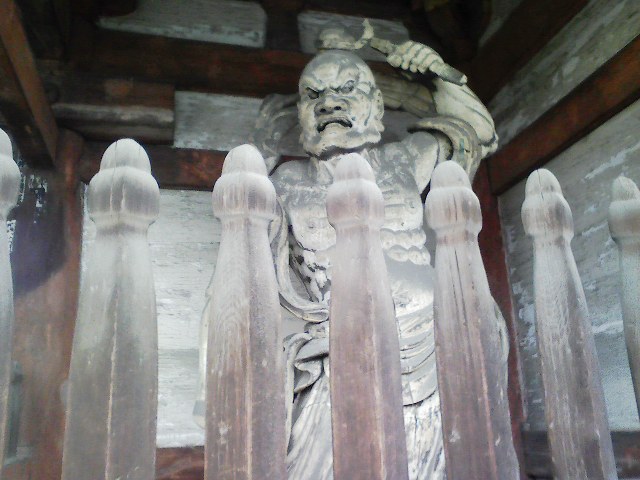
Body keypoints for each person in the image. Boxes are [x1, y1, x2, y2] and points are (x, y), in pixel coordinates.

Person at [197, 31, 506, 480]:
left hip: (434, 349)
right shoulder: (285, 183)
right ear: (300, 114)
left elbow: (478, 132)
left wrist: (434, 74)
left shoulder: (404, 160)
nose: (329, 103)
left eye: (348, 89)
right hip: (335, 357)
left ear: (377, 106)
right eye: (313, 94)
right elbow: (235, 274)